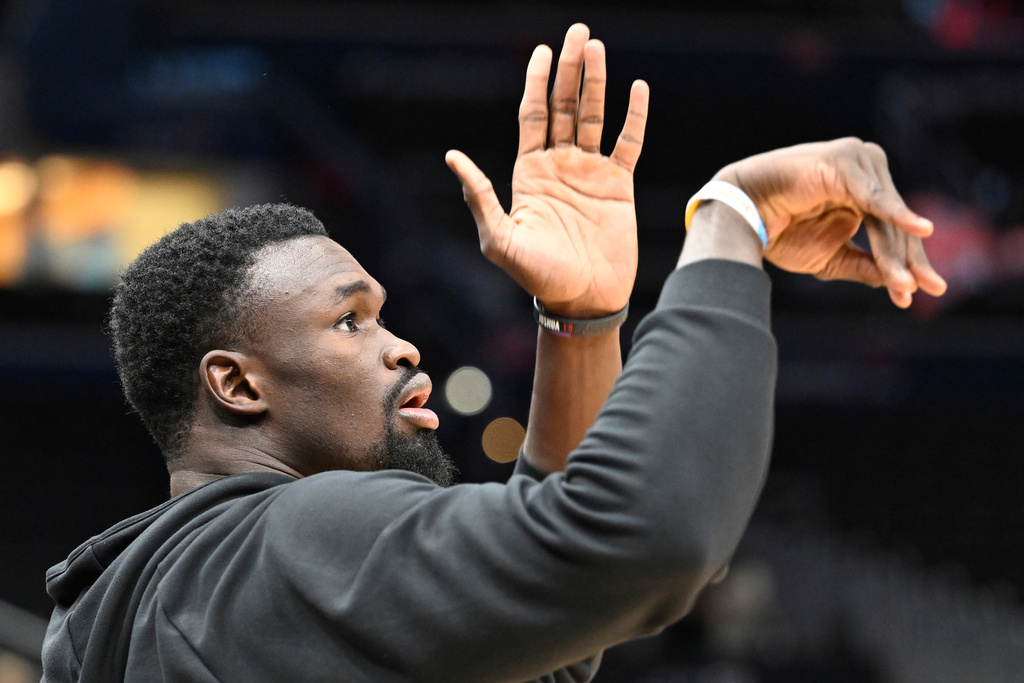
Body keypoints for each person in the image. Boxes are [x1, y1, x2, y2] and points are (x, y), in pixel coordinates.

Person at [40, 24, 945, 683]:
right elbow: (643, 541)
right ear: (236, 385)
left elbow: (556, 630)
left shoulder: (109, 621)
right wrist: (732, 220)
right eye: (350, 321)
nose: (399, 348)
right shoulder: (294, 538)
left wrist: (583, 323)